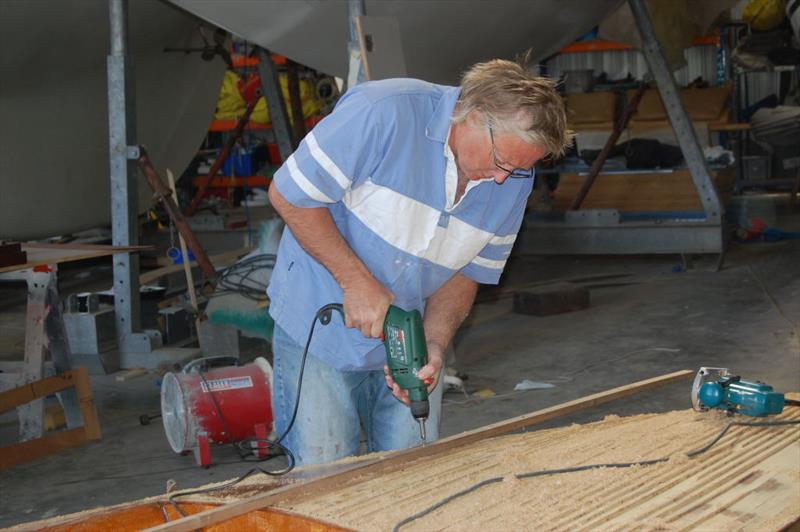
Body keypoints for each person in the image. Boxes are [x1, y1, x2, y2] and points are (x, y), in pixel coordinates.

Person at [266, 57, 573, 465]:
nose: (504, 180)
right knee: (320, 480)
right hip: (320, 325)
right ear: (473, 116)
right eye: (503, 163)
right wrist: (354, 280)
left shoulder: (514, 177)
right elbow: (289, 194)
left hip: (404, 338)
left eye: (519, 169)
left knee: (415, 479)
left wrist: (434, 341)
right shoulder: (382, 113)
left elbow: (468, 270)